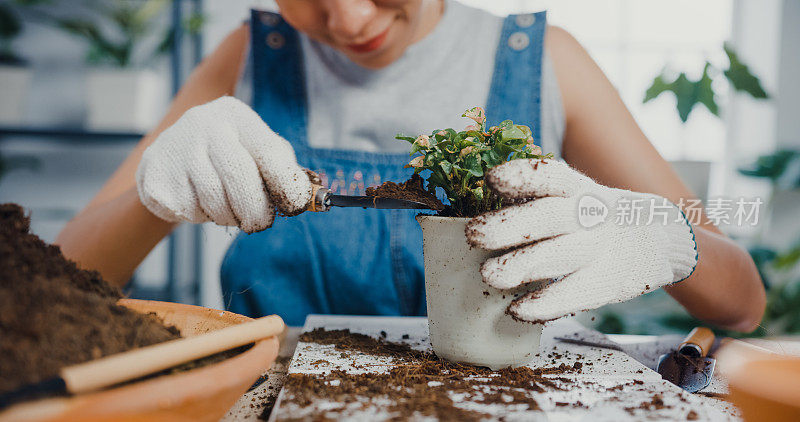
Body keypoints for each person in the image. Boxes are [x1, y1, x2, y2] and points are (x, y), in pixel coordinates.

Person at [57, 0, 765, 330]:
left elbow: (742, 301)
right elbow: (56, 280)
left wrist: (666, 234)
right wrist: (154, 195)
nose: (348, 19)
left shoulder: (548, 62)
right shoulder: (249, 57)